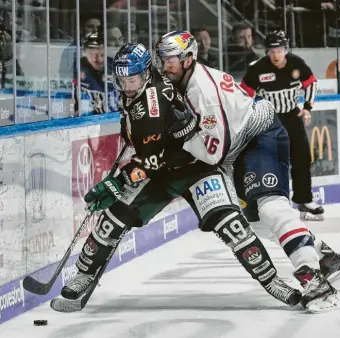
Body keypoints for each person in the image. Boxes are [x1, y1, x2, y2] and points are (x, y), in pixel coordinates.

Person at [61, 42, 302, 308]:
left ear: (146, 73)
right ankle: (83, 274)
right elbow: (145, 149)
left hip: (196, 167)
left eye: (133, 79)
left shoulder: (153, 102)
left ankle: (272, 281)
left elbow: (148, 161)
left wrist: (115, 183)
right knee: (113, 219)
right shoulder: (141, 89)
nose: (128, 86)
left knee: (231, 225)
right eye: (123, 80)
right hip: (164, 169)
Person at [155, 30, 340, 313]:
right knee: (254, 222)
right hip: (239, 146)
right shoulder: (183, 80)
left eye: (170, 60)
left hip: (260, 135)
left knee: (271, 208)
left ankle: (313, 277)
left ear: (189, 58)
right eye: (163, 59)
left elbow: (212, 152)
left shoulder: (201, 92)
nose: (165, 66)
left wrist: (183, 135)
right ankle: (325, 256)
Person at [239, 30, 325, 221]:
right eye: (272, 51)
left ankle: (304, 200)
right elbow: (243, 94)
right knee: (270, 163)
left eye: (280, 50)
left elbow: (311, 82)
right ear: (267, 51)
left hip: (293, 117)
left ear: (286, 49)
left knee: (301, 159)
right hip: (269, 121)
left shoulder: (296, 64)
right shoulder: (258, 69)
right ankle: (269, 206)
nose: (276, 55)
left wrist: (308, 107)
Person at [74, 29, 119, 115]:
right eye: (92, 54)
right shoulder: (78, 67)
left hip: (114, 121)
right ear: (84, 52)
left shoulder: (116, 67)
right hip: (90, 120)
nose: (97, 60)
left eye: (102, 55)